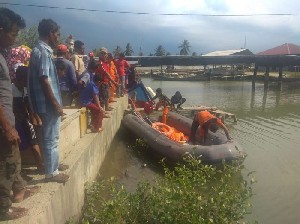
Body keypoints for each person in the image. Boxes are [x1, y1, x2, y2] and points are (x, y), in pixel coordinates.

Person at [0, 7, 35, 220]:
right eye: (12, 33)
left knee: (12, 160)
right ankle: (4, 210)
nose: (15, 38)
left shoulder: (2, 55)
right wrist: (7, 126)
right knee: (5, 167)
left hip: (6, 121)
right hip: (3, 125)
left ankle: (18, 191)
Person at [28, 19, 69, 183]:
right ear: (50, 34)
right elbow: (45, 79)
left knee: (49, 136)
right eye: (57, 34)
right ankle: (52, 172)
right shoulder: (44, 52)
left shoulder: (37, 49)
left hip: (41, 103)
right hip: (47, 104)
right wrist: (56, 104)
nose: (58, 38)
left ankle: (54, 165)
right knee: (51, 137)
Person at [13, 66, 44, 171]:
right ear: (19, 79)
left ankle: (40, 165)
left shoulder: (25, 90)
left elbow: (28, 105)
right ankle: (19, 170)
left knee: (34, 141)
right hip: (14, 121)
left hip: (24, 119)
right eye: (26, 80)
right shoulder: (11, 90)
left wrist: (35, 117)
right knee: (16, 145)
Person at [95, 47, 118, 111]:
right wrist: (114, 82)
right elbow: (106, 74)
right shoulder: (100, 63)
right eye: (102, 53)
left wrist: (110, 82)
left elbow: (108, 74)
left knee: (107, 96)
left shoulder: (105, 63)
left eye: (105, 54)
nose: (104, 55)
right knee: (102, 98)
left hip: (106, 82)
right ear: (100, 54)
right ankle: (103, 112)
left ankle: (107, 108)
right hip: (101, 83)